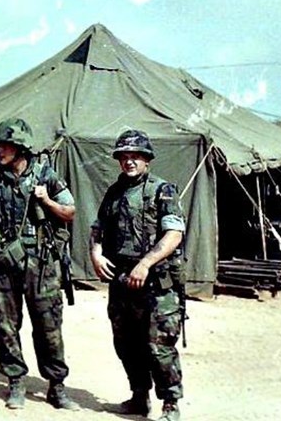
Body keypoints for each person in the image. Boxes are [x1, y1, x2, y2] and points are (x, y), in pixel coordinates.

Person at [0, 118, 80, 411]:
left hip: (42, 265)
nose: (0, 150)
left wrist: (46, 202)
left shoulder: (46, 176)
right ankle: (16, 382)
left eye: (6, 146)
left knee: (48, 327)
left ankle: (56, 387)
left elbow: (69, 212)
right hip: (5, 264)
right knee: (6, 326)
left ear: (21, 149)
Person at [89, 130, 185, 421]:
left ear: (147, 159)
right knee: (126, 343)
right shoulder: (114, 192)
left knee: (160, 346)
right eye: (124, 157)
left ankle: (170, 403)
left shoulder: (163, 190)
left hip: (156, 284)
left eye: (135, 156)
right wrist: (95, 253)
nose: (129, 162)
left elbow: (174, 234)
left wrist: (145, 263)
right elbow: (98, 229)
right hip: (122, 282)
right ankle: (138, 396)